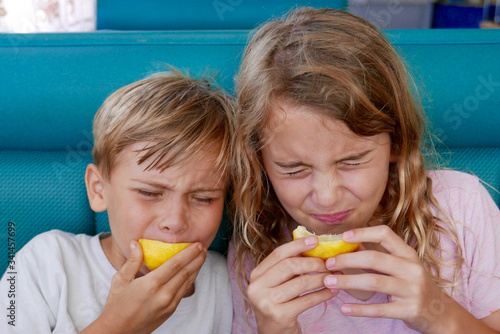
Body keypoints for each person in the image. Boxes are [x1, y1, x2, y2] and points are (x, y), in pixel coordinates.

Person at [228, 8, 500, 334]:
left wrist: (438, 314)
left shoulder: (460, 208)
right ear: (260, 162)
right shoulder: (256, 249)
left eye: (352, 162)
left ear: (397, 141)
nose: (327, 197)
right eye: (294, 169)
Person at [0, 70, 234, 333]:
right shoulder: (45, 263)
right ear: (99, 190)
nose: (175, 221)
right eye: (150, 193)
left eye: (204, 198)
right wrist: (117, 326)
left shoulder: (226, 284)